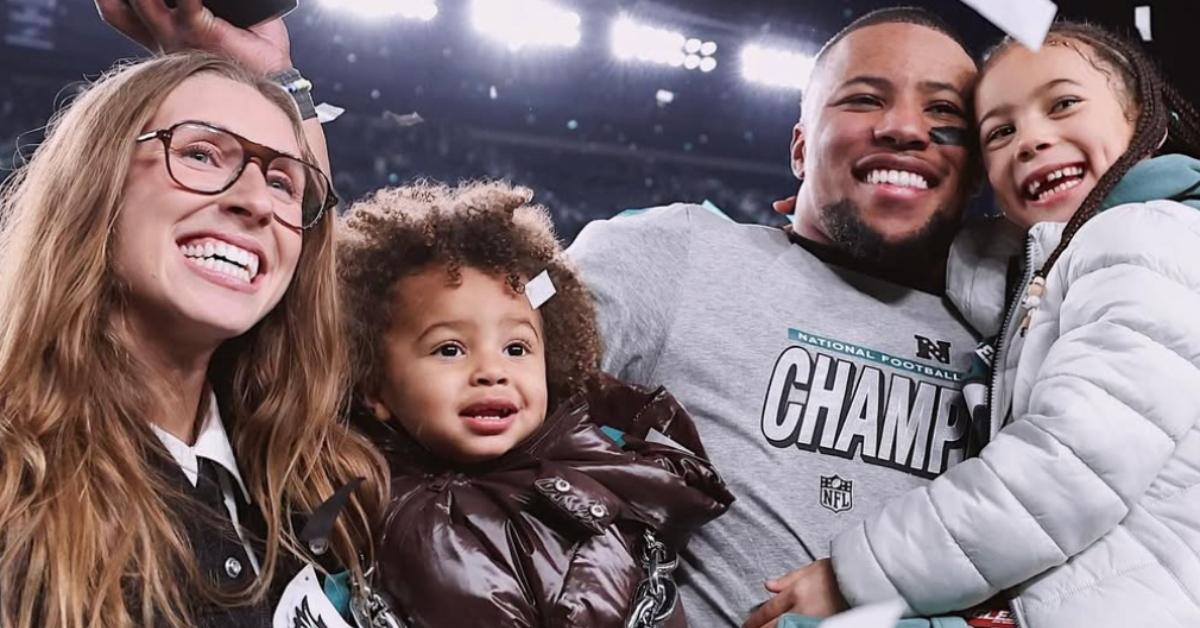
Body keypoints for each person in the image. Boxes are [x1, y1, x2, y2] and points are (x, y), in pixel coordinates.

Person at [568, 7, 984, 626]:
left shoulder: (1018, 335)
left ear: (977, 168)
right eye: (864, 99)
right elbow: (445, 362)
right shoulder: (672, 252)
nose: (903, 128)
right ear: (799, 148)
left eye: (944, 112)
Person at [807, 21, 1200, 628]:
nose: (1032, 140)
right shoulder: (1067, 257)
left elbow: (1069, 463)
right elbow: (1001, 277)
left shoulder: (1147, 237)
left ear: (1146, 121)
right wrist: (833, 203)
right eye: (1000, 132)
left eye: (1064, 104)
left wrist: (857, 576)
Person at [0, 49, 386, 627]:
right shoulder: (13, 488)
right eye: (201, 153)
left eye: (282, 182)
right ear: (93, 180)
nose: (256, 202)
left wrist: (278, 70)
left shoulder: (312, 480)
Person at [336, 180, 733, 627]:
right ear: (374, 388)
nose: (492, 370)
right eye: (449, 349)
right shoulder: (427, 530)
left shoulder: (587, 455)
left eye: (517, 348)